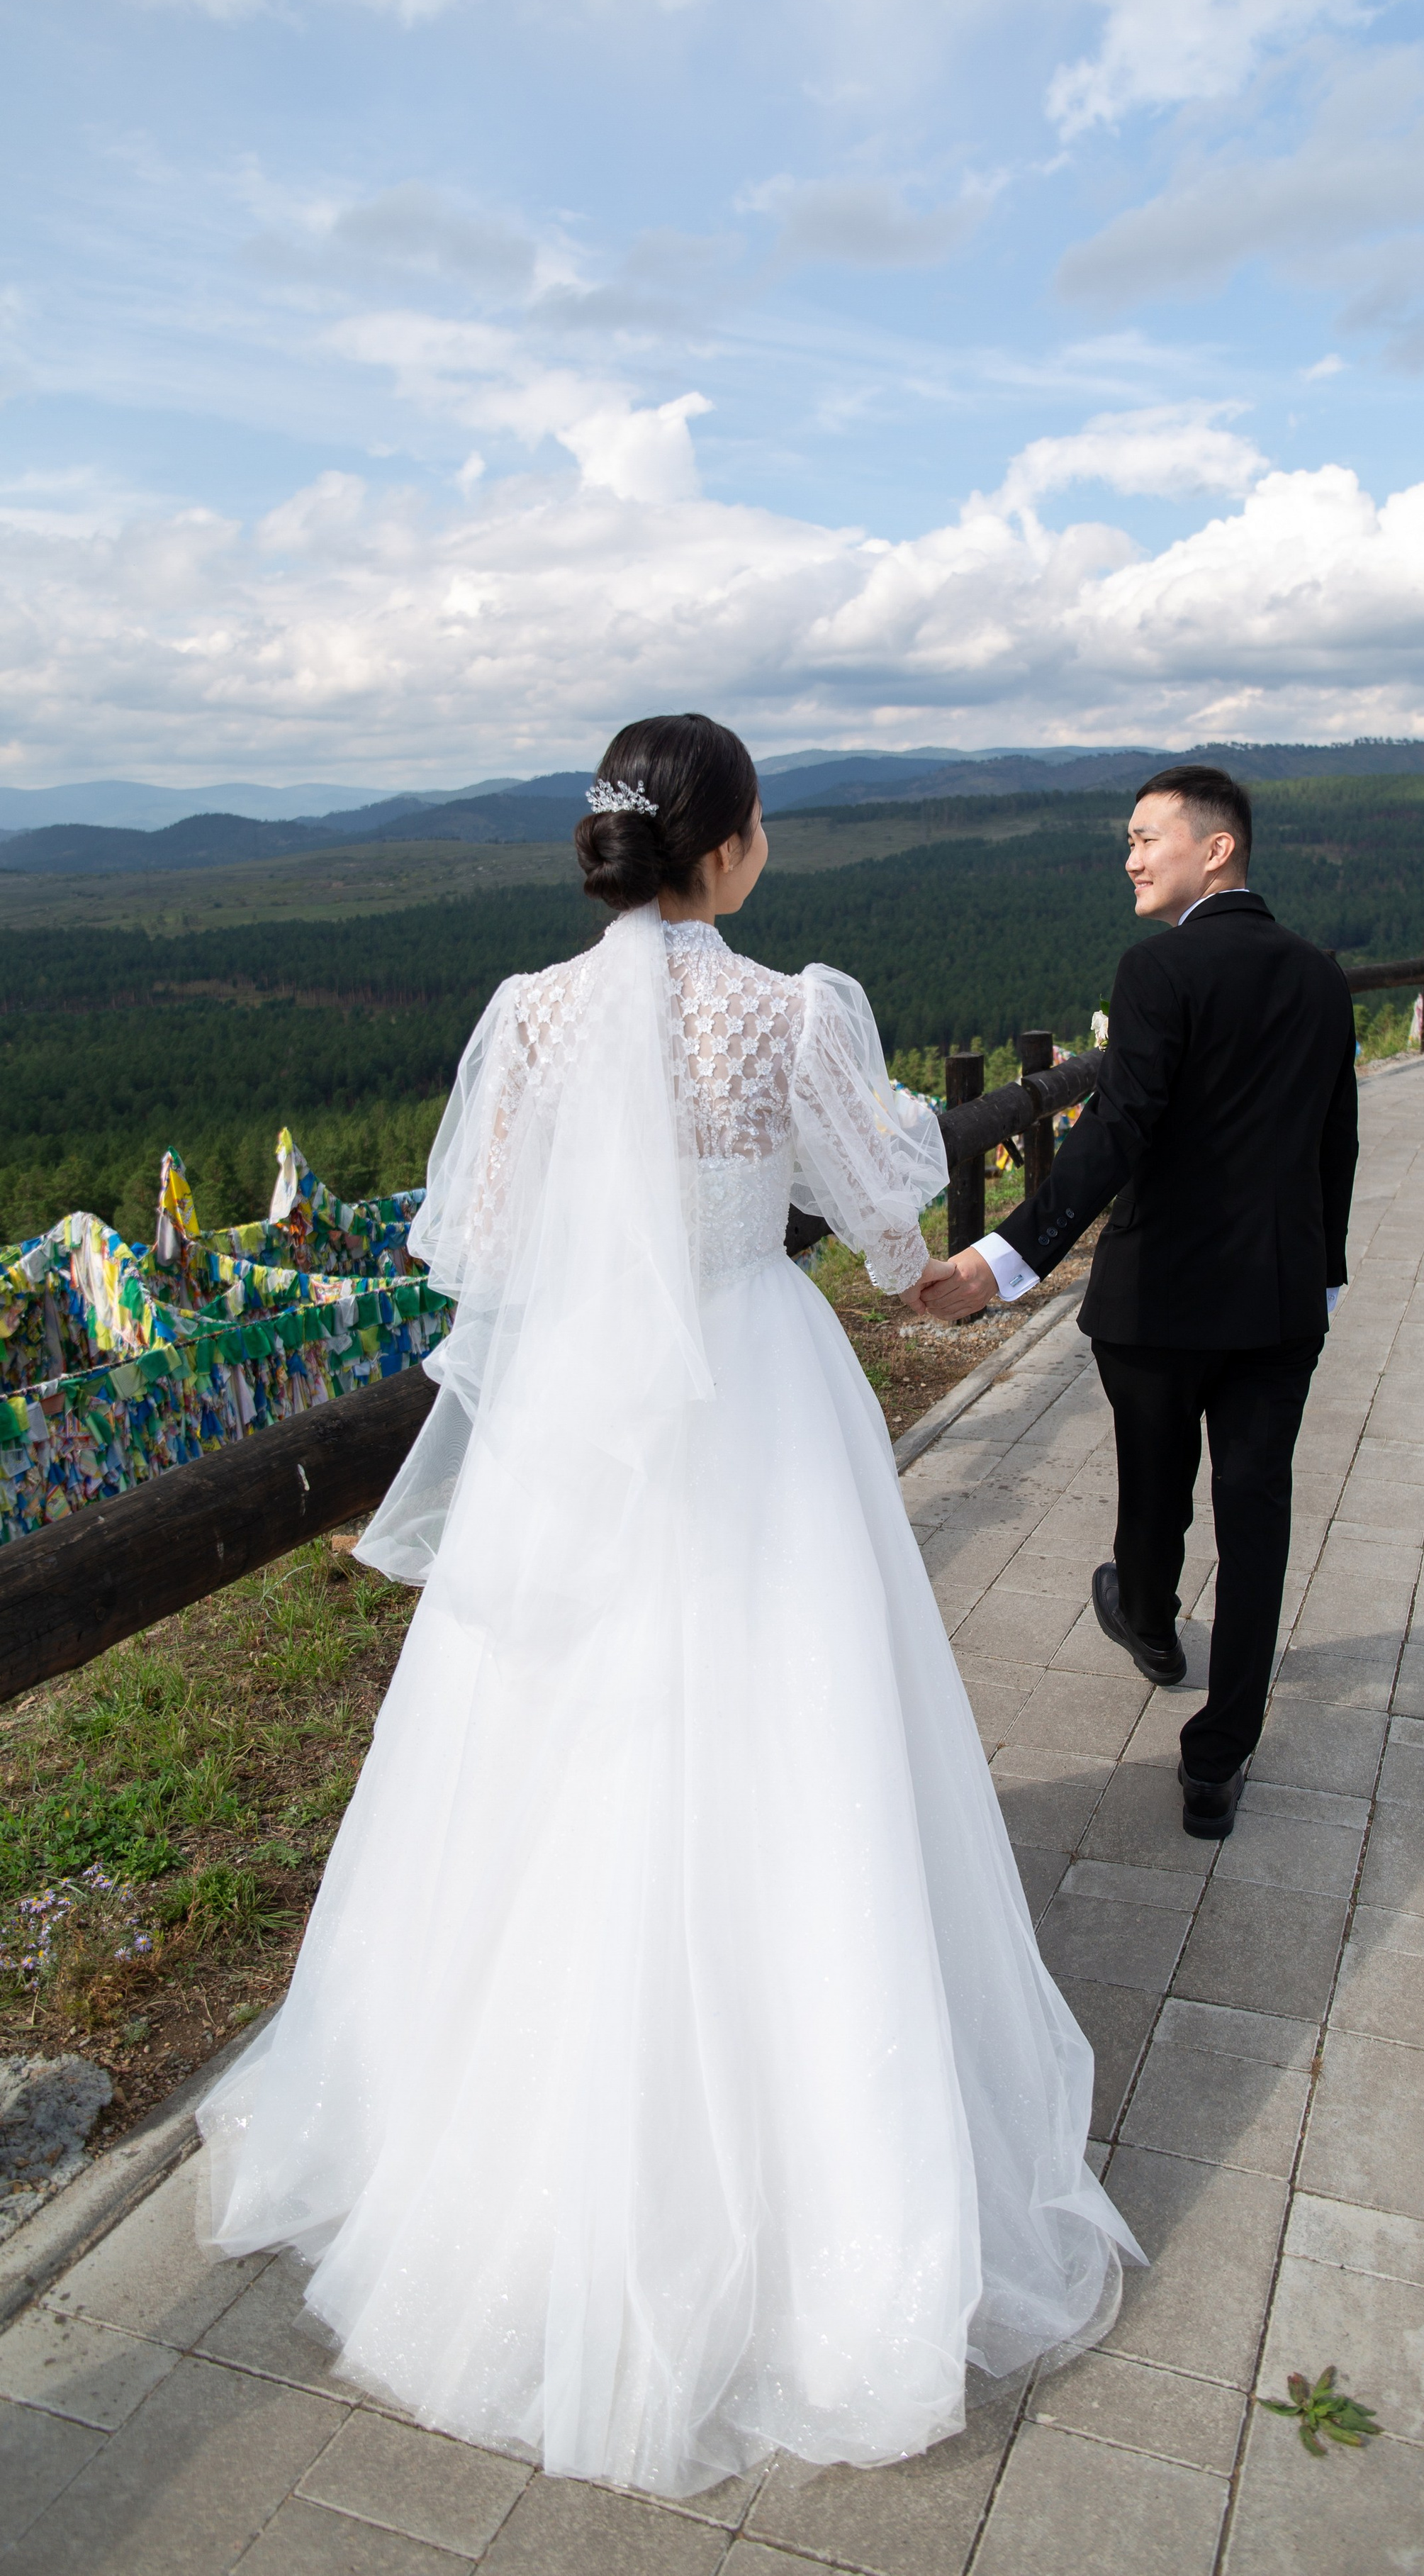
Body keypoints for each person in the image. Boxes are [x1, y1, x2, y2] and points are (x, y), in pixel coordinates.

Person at [196, 713, 1137, 2499]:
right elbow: (881, 1221)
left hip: (580, 1409)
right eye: (759, 822)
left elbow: (482, 1236)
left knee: (553, 1726)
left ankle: (489, 2128)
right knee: (793, 1715)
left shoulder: (525, 1016)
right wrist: (950, 1281)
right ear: (727, 847)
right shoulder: (791, 1015)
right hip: (754, 1388)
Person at [920, 765, 1357, 1844]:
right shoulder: (1319, 975)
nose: (1130, 859)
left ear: (1217, 848)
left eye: (1146, 837)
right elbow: (1334, 1140)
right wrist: (1323, 1276)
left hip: (1159, 1300)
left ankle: (1152, 1625)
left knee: (1154, 1491)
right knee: (1258, 1519)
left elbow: (1114, 1132)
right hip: (1279, 1303)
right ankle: (1218, 1761)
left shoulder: (1158, 970)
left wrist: (1002, 1261)